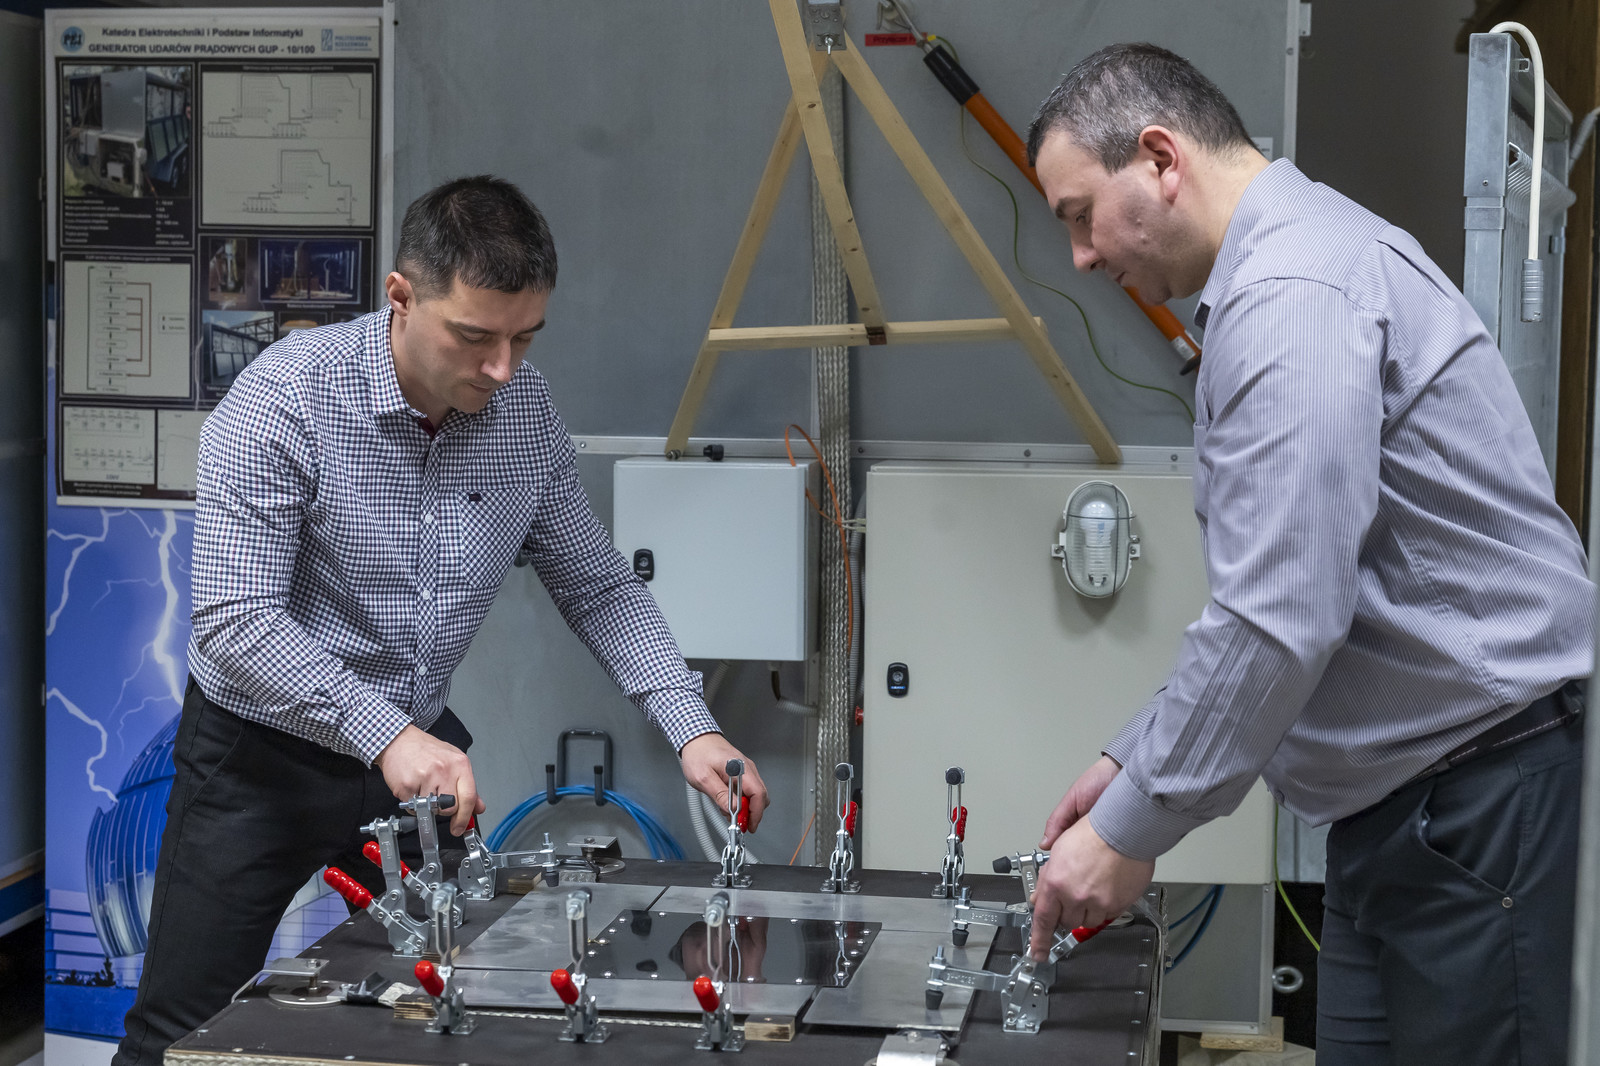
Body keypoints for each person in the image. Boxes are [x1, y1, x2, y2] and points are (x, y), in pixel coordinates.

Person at [113, 176, 771, 1066]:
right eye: (474, 337)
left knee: (461, 1004)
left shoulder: (523, 414)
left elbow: (599, 587)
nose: (502, 369)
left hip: (414, 770)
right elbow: (236, 622)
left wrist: (693, 728)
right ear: (401, 297)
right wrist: (385, 734)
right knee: (182, 1033)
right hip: (256, 761)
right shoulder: (284, 401)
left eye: (524, 338)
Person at [1021, 43, 1592, 1063]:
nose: (1081, 256)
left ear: (1160, 159)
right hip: (1407, 813)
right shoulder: (1288, 273)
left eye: (1078, 214)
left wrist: (1126, 831)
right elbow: (1283, 587)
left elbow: (1279, 620)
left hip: (1475, 807)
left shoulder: (1292, 294)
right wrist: (1131, 758)